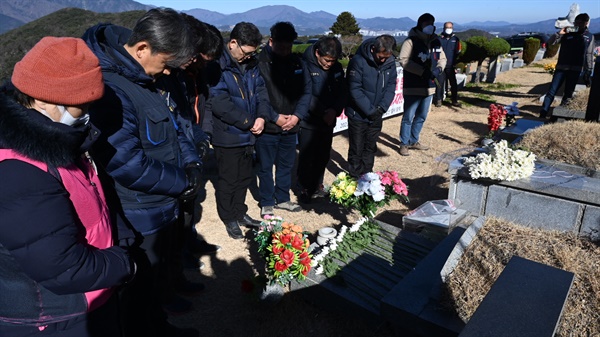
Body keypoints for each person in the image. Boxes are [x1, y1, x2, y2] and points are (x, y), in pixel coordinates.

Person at [0, 36, 136, 337]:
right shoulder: (18, 170)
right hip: (53, 317)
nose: (86, 114)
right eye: (80, 106)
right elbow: (61, 268)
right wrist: (125, 264)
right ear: (43, 98)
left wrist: (119, 239)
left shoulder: (53, 141)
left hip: (86, 295)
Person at [82, 8, 201, 337]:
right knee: (137, 290)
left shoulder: (143, 79)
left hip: (161, 202)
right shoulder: (111, 88)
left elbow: (175, 127)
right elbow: (124, 161)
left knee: (154, 283)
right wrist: (180, 181)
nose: (166, 73)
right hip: (138, 211)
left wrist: (190, 163)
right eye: (165, 64)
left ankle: (159, 326)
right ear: (143, 48)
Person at [204, 22, 268, 239]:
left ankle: (240, 212)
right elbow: (220, 104)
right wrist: (249, 121)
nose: (248, 56)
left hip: (249, 133)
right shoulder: (217, 66)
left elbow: (261, 92)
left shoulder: (251, 65)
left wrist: (261, 117)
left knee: (244, 177)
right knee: (228, 180)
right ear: (233, 43)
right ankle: (228, 217)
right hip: (227, 134)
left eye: (253, 53)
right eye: (246, 52)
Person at [256, 21, 311, 217]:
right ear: (271, 41)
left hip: (291, 126)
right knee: (264, 166)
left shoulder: (297, 63)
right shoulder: (259, 63)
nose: (286, 50)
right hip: (268, 126)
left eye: (289, 46)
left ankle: (283, 197)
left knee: (286, 165)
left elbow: (307, 92)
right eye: (282, 46)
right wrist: (274, 117)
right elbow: (258, 95)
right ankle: (267, 201)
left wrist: (297, 116)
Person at [297, 36, 347, 203]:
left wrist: (334, 110)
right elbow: (305, 94)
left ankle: (318, 185)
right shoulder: (304, 65)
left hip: (329, 119)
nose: (329, 64)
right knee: (307, 156)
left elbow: (342, 92)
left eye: (333, 61)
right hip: (309, 120)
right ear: (318, 53)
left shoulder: (337, 68)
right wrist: (322, 112)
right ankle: (305, 187)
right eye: (327, 60)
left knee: (323, 155)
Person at [345, 34, 397, 178]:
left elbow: (391, 86)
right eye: (381, 57)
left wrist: (382, 108)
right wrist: (369, 110)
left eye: (387, 57)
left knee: (370, 147)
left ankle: (367, 176)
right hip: (358, 114)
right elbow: (354, 89)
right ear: (374, 49)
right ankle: (354, 179)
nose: (383, 60)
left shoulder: (390, 62)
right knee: (357, 148)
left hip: (377, 112)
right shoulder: (358, 61)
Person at [398, 13, 447, 156]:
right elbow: (404, 60)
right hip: (413, 85)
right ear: (420, 25)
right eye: (426, 24)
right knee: (408, 116)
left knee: (421, 116)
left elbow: (442, 58)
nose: (429, 27)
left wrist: (439, 69)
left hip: (429, 86)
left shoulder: (436, 42)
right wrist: (421, 71)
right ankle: (404, 143)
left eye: (431, 24)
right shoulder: (410, 41)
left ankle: (414, 140)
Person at [539, 13, 594, 119]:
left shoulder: (589, 36)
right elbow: (551, 43)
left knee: (568, 93)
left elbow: (589, 54)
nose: (577, 25)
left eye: (580, 23)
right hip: (562, 67)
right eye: (575, 22)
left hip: (576, 68)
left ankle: (560, 114)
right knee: (552, 91)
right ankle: (543, 112)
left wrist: (589, 69)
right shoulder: (568, 32)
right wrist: (559, 33)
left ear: (586, 23)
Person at [434, 21, 462, 108]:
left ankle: (454, 100)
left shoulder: (456, 39)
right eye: (447, 27)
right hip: (441, 66)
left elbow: (458, 51)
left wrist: (455, 62)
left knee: (453, 83)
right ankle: (438, 100)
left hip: (451, 65)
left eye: (450, 27)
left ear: (452, 28)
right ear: (443, 28)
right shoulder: (439, 39)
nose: (448, 29)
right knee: (440, 83)